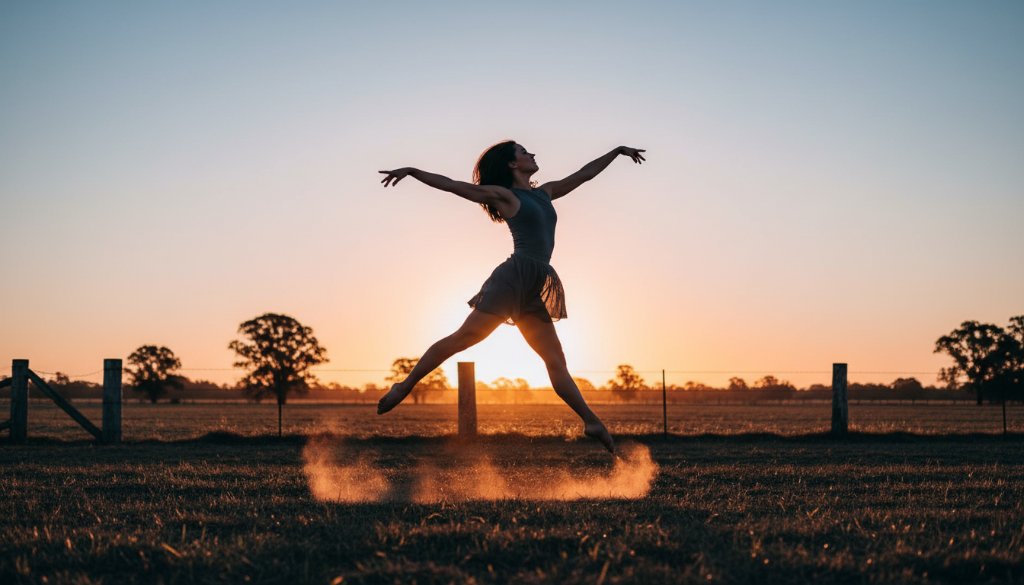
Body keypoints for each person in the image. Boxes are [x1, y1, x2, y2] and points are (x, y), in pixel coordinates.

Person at [377, 141, 646, 453]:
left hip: (535, 284)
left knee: (555, 361)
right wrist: (412, 171)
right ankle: (404, 386)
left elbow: (585, 174)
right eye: (523, 151)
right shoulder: (505, 196)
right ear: (511, 165)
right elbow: (453, 186)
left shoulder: (545, 193)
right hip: (513, 278)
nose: (531, 153)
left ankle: (591, 421)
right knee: (464, 337)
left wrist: (615, 152)